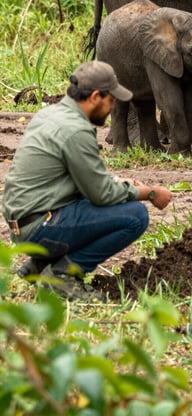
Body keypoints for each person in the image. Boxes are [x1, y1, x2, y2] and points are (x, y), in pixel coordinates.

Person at [2, 61, 172, 301]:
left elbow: (79, 177)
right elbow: (101, 195)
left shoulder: (51, 115)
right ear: (95, 97)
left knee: (110, 203)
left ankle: (39, 266)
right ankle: (63, 274)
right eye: (111, 101)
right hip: (39, 227)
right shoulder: (76, 130)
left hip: (24, 222)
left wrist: (118, 181)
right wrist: (150, 193)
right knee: (135, 216)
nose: (112, 108)